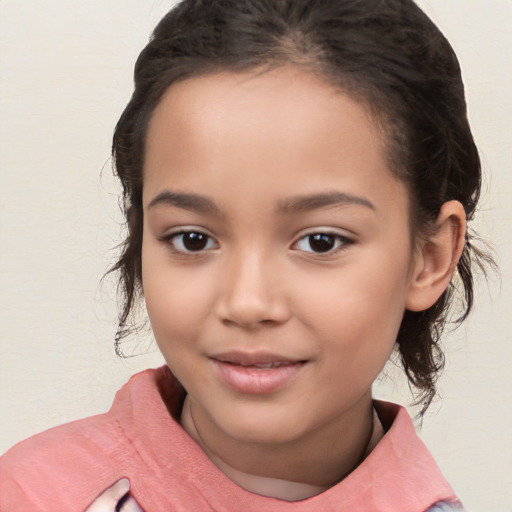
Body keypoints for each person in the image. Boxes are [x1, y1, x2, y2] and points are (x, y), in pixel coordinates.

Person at [0, 0, 493, 510]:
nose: (247, 302)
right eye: (192, 239)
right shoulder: (32, 495)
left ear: (429, 257)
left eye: (320, 241)